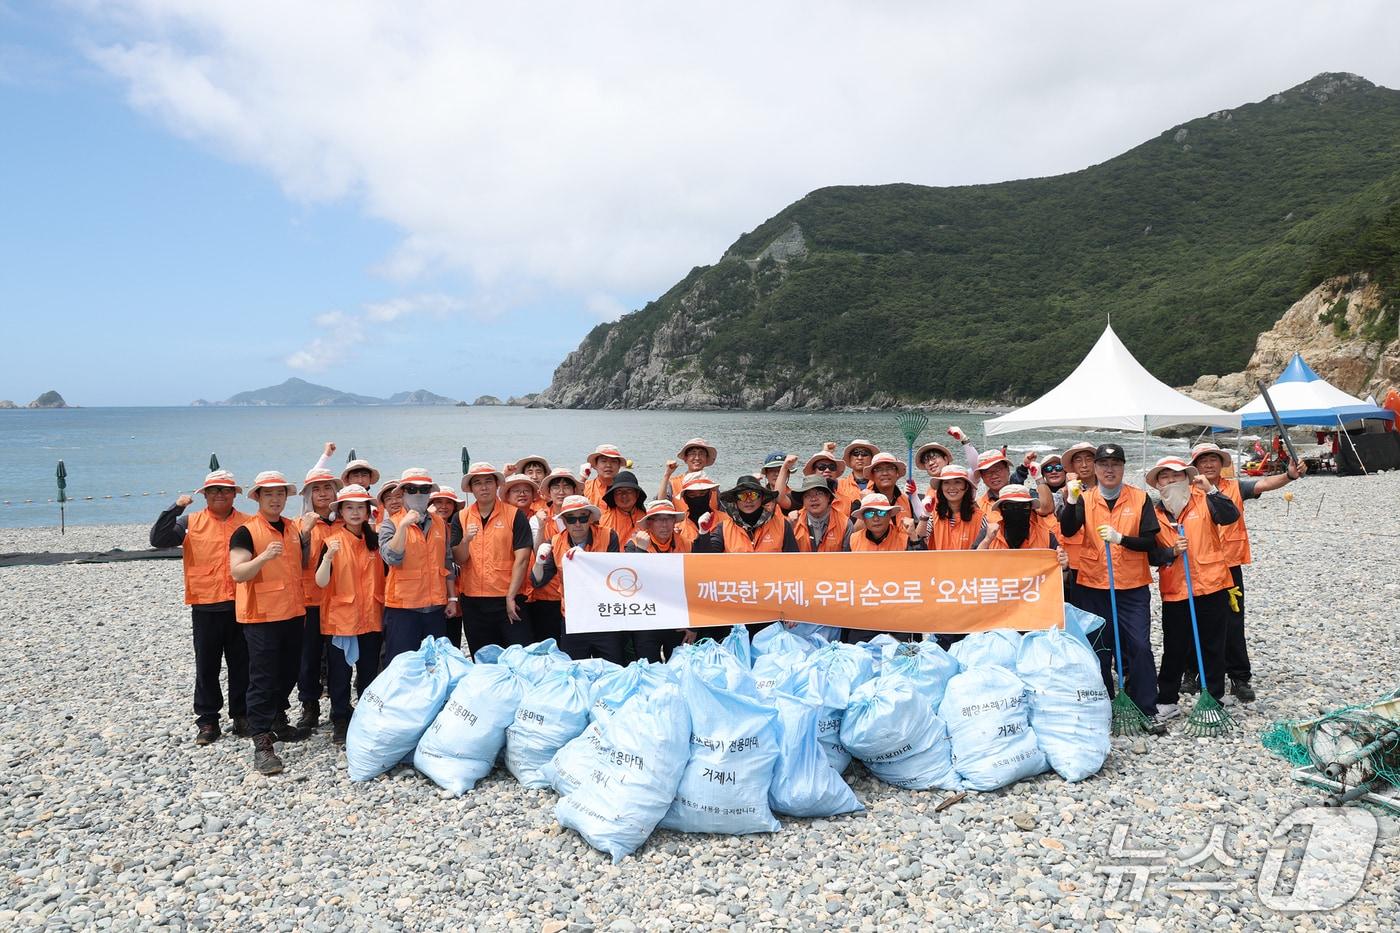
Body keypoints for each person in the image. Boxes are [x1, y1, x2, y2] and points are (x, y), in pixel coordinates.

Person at [1058, 444, 1176, 731]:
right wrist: (1072, 503)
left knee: (1139, 646)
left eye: (1115, 464)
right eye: (1103, 464)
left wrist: (1121, 538)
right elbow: (1068, 530)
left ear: (1123, 467)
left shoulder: (1139, 498)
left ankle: (1145, 707)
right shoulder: (1084, 498)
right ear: (1095, 469)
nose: (1109, 470)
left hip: (1131, 586)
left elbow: (1150, 541)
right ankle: (1102, 705)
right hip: (1091, 584)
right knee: (1098, 648)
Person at [1186, 442, 1306, 702]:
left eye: (1213, 459)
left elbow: (1263, 484)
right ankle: (1192, 673)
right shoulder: (1185, 491)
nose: (1208, 464)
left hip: (1228, 566)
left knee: (1232, 621)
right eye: (1203, 460)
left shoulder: (1234, 487)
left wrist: (1289, 475)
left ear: (1222, 463)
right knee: (1193, 619)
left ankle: (1239, 677)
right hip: (1197, 566)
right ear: (1194, 465)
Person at [149, 469, 251, 746]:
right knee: (206, 666)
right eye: (214, 490)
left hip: (242, 603)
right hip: (205, 605)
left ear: (234, 494)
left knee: (242, 664)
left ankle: (241, 715)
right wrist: (175, 508)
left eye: (226, 490)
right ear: (204, 495)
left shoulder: (248, 522)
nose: (220, 494)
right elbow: (158, 539)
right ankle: (208, 720)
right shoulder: (189, 521)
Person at [1145, 457, 1240, 720]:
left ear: (1187, 479)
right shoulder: (1153, 513)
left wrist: (1210, 488)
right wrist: (1170, 552)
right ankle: (1167, 699)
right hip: (1175, 588)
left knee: (1213, 644)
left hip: (1212, 584)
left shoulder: (1205, 500)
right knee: (1174, 647)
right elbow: (1150, 554)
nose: (1171, 481)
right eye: (1164, 477)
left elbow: (1231, 515)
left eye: (1177, 475)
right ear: (1158, 484)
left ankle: (1215, 696)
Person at [228, 471, 308, 776]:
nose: (275, 499)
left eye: (280, 494)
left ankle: (277, 718)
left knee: (289, 672)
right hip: (260, 616)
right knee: (262, 678)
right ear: (258, 498)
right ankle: (261, 741)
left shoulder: (291, 529)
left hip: (291, 612)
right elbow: (238, 572)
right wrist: (262, 558)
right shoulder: (246, 532)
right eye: (269, 494)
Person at [313, 485, 385, 745]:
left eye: (360, 507)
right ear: (341, 511)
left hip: (371, 617)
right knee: (340, 674)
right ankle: (340, 718)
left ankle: (365, 717)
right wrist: (328, 559)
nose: (355, 512)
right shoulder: (331, 541)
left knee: (368, 673)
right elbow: (320, 582)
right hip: (341, 620)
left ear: (367, 511)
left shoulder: (375, 540)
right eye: (349, 507)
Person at [531, 495, 623, 662]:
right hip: (573, 618)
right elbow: (538, 581)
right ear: (564, 522)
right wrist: (539, 562)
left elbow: (615, 575)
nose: (578, 523)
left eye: (582, 517)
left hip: (604, 615)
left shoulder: (609, 536)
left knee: (614, 668)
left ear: (590, 519)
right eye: (571, 519)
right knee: (573, 669)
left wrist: (586, 560)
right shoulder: (555, 541)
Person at [454, 463, 534, 653]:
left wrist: (511, 596)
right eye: (478, 483)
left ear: (497, 484)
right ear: (471, 488)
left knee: (518, 655)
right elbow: (459, 558)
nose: (484, 487)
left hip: (508, 598)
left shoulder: (514, 515)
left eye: (488, 482)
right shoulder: (461, 517)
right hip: (473, 601)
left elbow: (522, 559)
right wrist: (466, 540)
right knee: (482, 658)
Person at [379, 468, 452, 662]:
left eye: (424, 489)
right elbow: (391, 558)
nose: (418, 494)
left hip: (435, 607)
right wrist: (403, 526)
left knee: (435, 665)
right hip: (403, 608)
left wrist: (452, 598)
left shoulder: (439, 523)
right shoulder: (390, 524)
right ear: (402, 493)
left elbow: (447, 561)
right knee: (401, 665)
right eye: (412, 489)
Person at [292, 467, 341, 732]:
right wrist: (306, 534)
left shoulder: (345, 520)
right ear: (309, 496)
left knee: (338, 656)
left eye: (327, 488)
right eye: (317, 489)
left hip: (340, 600)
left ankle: (338, 704)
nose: (323, 494)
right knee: (308, 657)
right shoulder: (300, 524)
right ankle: (309, 705)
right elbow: (295, 562)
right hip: (309, 600)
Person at [841, 493, 926, 644]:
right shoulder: (853, 540)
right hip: (865, 611)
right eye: (870, 513)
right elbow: (844, 576)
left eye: (881, 512)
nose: (875, 518)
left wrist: (913, 534)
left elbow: (923, 568)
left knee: (905, 654)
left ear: (889, 515)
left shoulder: (905, 537)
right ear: (863, 518)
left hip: (899, 611)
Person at [625, 499, 693, 661]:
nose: (664, 524)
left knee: (680, 669)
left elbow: (694, 584)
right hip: (647, 619)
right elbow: (629, 584)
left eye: (669, 518)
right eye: (658, 519)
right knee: (649, 669)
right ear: (649, 523)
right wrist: (640, 550)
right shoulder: (634, 545)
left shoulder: (687, 544)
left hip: (677, 620)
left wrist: (693, 625)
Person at [694, 475, 798, 553]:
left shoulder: (782, 525)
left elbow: (794, 561)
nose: (748, 500)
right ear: (735, 501)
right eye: (742, 496)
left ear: (762, 498)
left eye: (753, 495)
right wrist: (703, 533)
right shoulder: (723, 528)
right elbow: (707, 559)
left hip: (772, 581)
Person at [429, 485, 466, 647]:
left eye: (448, 503)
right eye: (438, 502)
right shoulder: (421, 530)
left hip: (455, 594)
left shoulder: (458, 530)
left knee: (452, 644)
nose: (443, 506)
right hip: (429, 598)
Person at [928, 465, 984, 552]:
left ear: (966, 487)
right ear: (941, 487)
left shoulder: (980, 517)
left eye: (957, 482)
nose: (951, 487)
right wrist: (924, 515)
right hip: (939, 565)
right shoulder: (933, 515)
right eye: (946, 482)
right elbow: (920, 540)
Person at [790, 475, 844, 553]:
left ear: (828, 497)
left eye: (819, 494)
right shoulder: (793, 522)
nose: (814, 499)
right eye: (807, 495)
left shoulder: (844, 523)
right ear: (803, 500)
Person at [673, 470, 726, 547]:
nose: (698, 498)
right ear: (685, 499)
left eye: (702, 493)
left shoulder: (726, 521)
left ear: (710, 494)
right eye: (692, 495)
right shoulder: (677, 526)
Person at [800, 450, 856, 522]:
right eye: (821, 467)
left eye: (831, 467)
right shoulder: (800, 497)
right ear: (813, 472)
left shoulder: (848, 501)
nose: (827, 470)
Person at [601, 470, 647, 544]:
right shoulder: (603, 520)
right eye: (619, 491)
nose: (624, 495)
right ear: (613, 495)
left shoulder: (647, 519)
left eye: (629, 491)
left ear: (637, 494)